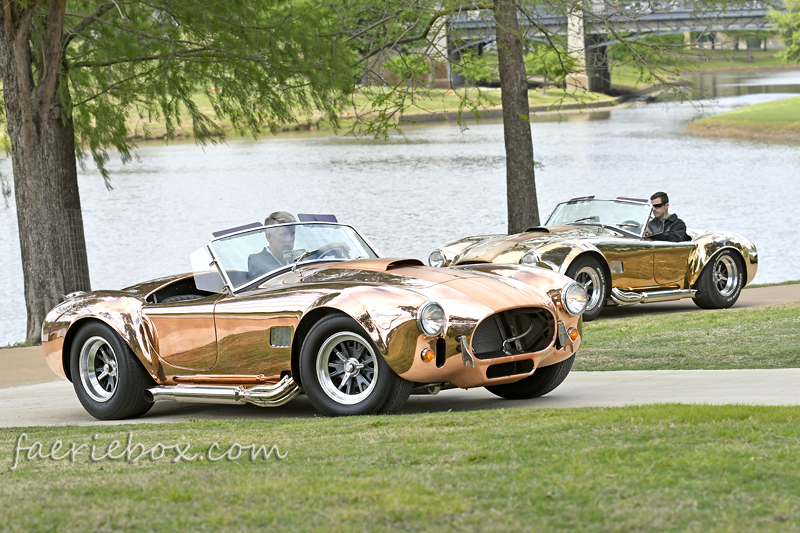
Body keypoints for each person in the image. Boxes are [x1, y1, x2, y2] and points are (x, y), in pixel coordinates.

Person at [247, 211, 298, 278]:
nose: (290, 239)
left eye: (292, 234)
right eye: (284, 234)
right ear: (269, 237)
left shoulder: (297, 258)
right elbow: (280, 276)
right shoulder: (256, 260)